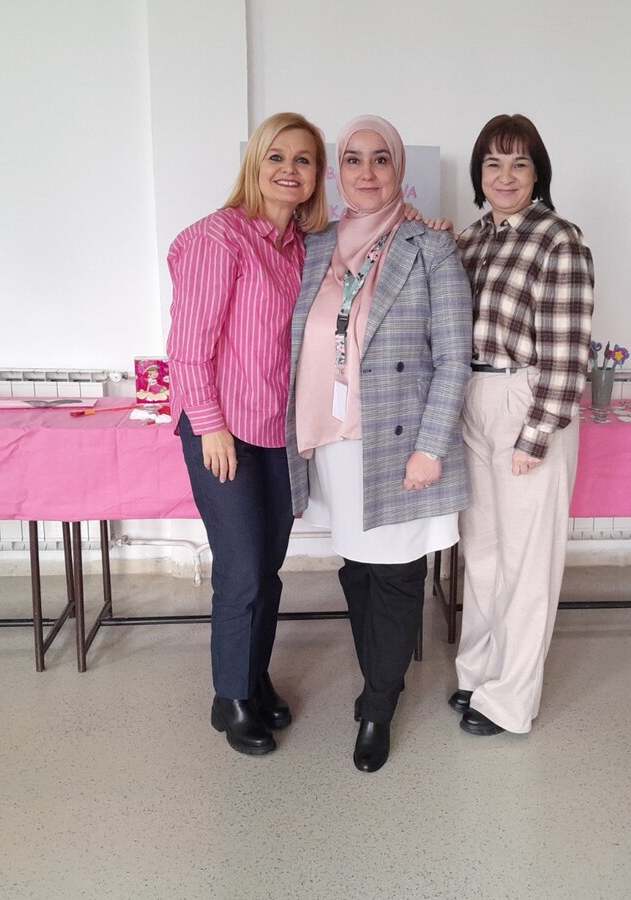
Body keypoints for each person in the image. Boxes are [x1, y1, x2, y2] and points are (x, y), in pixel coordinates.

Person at [286, 115, 472, 772]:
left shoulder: (430, 248)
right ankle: (378, 678)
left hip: (401, 443)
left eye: (381, 160)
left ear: (399, 169)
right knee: (357, 566)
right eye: (353, 160)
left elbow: (453, 358)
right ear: (338, 172)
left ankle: (379, 703)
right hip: (335, 441)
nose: (367, 173)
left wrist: (431, 447)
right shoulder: (314, 248)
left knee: (395, 573)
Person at [166, 112, 328, 756]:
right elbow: (188, 348)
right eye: (276, 157)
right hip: (224, 431)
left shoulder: (301, 248)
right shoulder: (219, 237)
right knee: (241, 570)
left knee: (267, 567)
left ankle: (254, 678)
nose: (289, 169)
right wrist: (209, 427)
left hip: (277, 433)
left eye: (304, 160)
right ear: (254, 165)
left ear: (316, 176)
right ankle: (229, 698)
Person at [451, 114, 595, 737]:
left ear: (538, 173)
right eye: (493, 163)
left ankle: (510, 700)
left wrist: (536, 435)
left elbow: (568, 349)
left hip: (526, 397)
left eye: (519, 163)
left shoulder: (559, 239)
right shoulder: (470, 239)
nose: (505, 176)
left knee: (527, 559)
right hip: (472, 395)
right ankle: (477, 674)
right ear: (479, 174)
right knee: (482, 551)